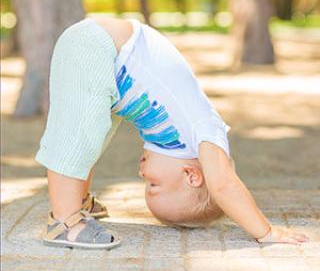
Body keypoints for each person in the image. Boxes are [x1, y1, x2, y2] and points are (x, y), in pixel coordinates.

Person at [35, 16, 310, 249]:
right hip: (100, 48)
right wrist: (265, 232)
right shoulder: (205, 134)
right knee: (79, 134)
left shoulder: (182, 140)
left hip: (106, 55)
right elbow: (224, 185)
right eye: (153, 184)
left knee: (92, 134)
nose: (141, 174)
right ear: (192, 175)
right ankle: (65, 220)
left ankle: (77, 200)